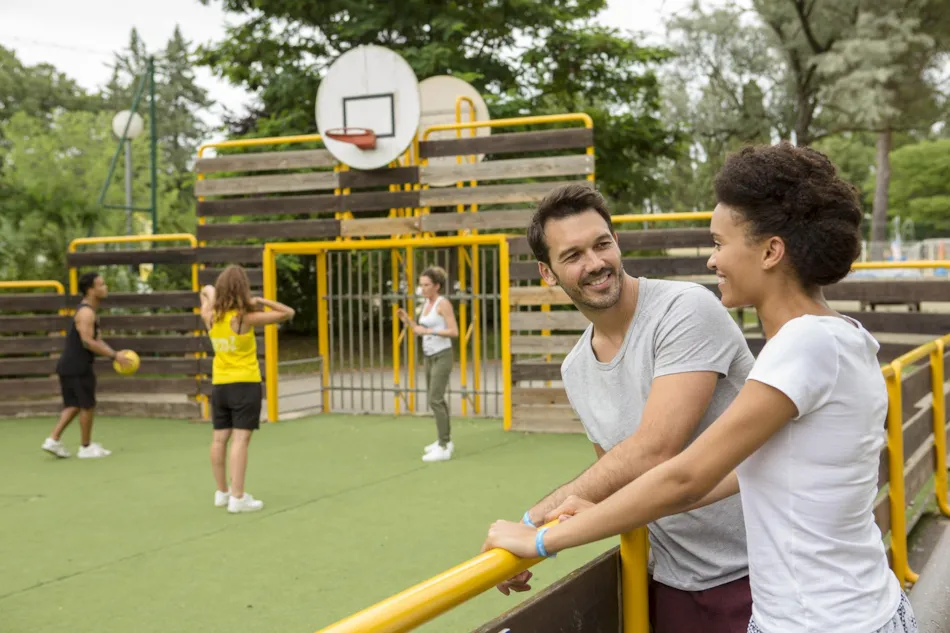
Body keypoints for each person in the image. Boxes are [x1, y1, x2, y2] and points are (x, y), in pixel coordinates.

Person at [484, 143, 917, 633]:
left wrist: (539, 539)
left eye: (718, 243)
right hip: (831, 612)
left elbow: (681, 473)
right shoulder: (836, 336)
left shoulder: (804, 343)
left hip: (827, 621)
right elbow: (737, 473)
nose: (713, 261)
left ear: (771, 251)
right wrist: (593, 511)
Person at [491, 182, 755, 633]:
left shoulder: (683, 310)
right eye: (573, 256)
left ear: (617, 243)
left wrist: (531, 527)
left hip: (759, 570)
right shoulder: (576, 369)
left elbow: (654, 450)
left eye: (602, 244)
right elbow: (617, 478)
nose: (595, 264)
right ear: (547, 273)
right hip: (674, 581)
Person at [199, 265, 295, 513]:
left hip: (220, 385)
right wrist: (260, 300)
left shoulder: (209, 316)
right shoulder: (244, 318)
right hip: (244, 384)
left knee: (219, 439)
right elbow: (287, 312)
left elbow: (205, 289)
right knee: (240, 439)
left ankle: (222, 492)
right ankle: (238, 497)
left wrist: (212, 296)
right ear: (243, 289)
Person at [42, 271, 134, 459]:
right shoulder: (86, 313)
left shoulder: (91, 312)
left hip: (70, 365)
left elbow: (97, 340)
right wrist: (114, 355)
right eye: (101, 285)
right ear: (91, 290)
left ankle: (53, 440)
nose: (105, 287)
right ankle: (86, 447)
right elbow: (88, 342)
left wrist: (115, 355)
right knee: (87, 405)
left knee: (74, 405)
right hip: (77, 366)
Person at [396, 266, 459, 463]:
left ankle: (443, 445)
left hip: (443, 355)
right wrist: (407, 320)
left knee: (435, 399)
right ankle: (445, 442)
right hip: (429, 356)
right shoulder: (425, 304)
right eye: (421, 285)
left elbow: (453, 331)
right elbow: (419, 329)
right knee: (436, 399)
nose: (422, 288)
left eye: (426, 285)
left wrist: (429, 332)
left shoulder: (443, 304)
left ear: (436, 286)